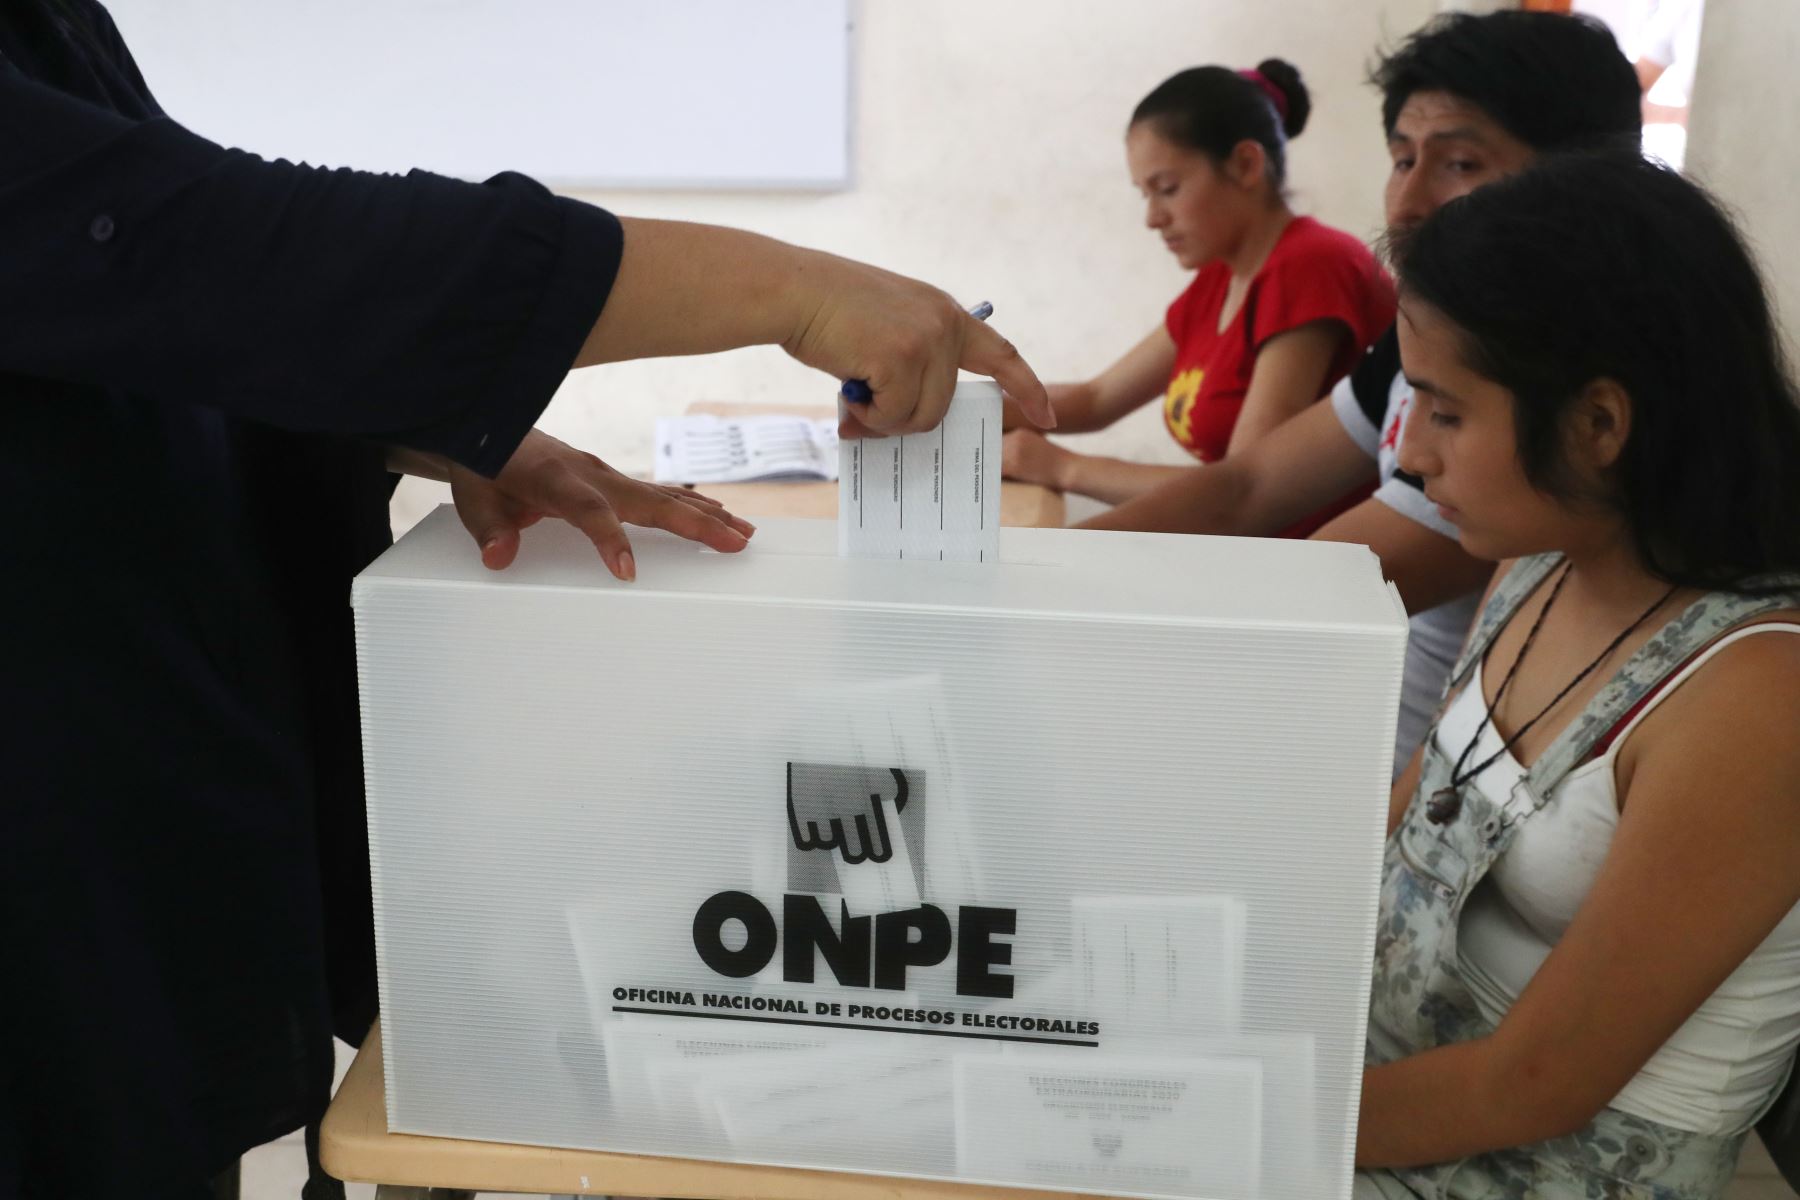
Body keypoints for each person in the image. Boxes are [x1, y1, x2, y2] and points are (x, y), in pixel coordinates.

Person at [0, 3, 1052, 1198]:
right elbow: (191, 249)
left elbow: (153, 329)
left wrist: (434, 428)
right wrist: (791, 290)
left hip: (123, 785)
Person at [1354, 151, 1800, 1199]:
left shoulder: (1758, 696)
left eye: (1446, 412)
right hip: (1395, 1090)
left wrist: (1232, 1107)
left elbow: (1532, 1087)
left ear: (1598, 425)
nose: (1412, 455)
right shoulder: (1538, 560)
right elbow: (1411, 818)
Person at [1079, 12, 1642, 774]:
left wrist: (1056, 570)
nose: (1406, 202)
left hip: (1392, 767)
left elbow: (1325, 586)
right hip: (1380, 756)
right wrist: (1039, 564)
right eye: (1401, 159)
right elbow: (1247, 486)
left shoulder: (1547, 379)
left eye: (1460, 163)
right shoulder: (1428, 338)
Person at [1000, 59, 1394, 537]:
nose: (1153, 218)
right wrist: (962, 405)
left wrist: (1064, 467)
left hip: (1315, 560)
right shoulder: (1220, 277)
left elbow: (1243, 488)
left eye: (1167, 189)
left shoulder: (1312, 266)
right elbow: (1096, 398)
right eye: (1145, 195)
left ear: (1246, 165)